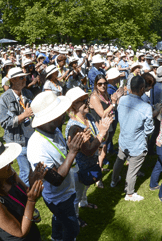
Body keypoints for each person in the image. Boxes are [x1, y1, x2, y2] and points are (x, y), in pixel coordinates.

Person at [27, 91, 86, 241]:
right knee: (73, 230)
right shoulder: (37, 147)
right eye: (59, 113)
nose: (64, 115)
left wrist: (69, 148)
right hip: (58, 198)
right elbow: (55, 179)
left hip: (67, 190)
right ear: (48, 119)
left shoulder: (54, 129)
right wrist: (72, 152)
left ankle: (56, 237)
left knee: (59, 220)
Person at [65, 87, 112, 226]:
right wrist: (102, 133)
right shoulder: (74, 128)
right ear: (73, 105)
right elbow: (88, 150)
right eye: (83, 101)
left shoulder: (89, 117)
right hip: (79, 168)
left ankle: (84, 203)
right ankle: (75, 218)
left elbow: (100, 138)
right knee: (76, 195)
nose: (87, 103)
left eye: (87, 100)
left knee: (85, 188)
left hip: (90, 164)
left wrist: (105, 130)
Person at [110, 76, 154, 201]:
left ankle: (113, 181)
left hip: (123, 139)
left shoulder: (122, 100)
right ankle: (129, 193)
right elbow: (149, 130)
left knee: (119, 160)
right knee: (132, 170)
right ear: (141, 88)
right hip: (137, 144)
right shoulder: (146, 107)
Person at [0, 67, 34, 187]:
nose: (25, 79)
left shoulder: (27, 93)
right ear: (12, 80)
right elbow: (4, 123)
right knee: (25, 170)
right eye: (21, 77)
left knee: (34, 165)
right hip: (18, 140)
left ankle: (35, 187)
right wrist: (24, 115)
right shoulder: (4, 99)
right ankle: (26, 195)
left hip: (32, 136)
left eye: (25, 77)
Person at [89, 75, 120, 187]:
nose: (103, 86)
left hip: (106, 124)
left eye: (105, 83)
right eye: (100, 84)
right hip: (98, 127)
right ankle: (97, 178)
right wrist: (112, 103)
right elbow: (102, 114)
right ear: (95, 85)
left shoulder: (105, 93)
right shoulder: (94, 97)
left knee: (103, 151)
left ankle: (99, 169)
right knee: (100, 152)